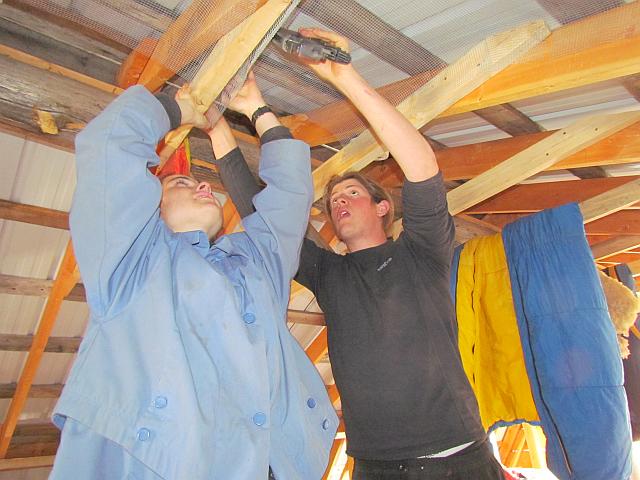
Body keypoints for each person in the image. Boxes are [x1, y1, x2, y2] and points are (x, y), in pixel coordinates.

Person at [214, 30, 504, 479]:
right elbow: (262, 213)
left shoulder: (423, 252)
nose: (339, 201)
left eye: (351, 192)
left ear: (383, 207)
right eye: (332, 200)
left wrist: (344, 76)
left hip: (453, 458)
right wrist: (229, 122)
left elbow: (422, 166)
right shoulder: (328, 273)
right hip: (372, 465)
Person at [50, 74, 338, 480]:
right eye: (181, 182)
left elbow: (289, 200)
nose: (204, 184)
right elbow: (109, 145)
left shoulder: (252, 264)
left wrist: (258, 110)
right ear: (150, 206)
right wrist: (179, 109)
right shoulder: (131, 261)